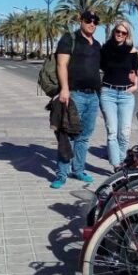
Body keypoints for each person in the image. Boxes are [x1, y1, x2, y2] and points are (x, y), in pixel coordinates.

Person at [51, 10, 102, 189]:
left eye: (95, 21)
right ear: (81, 21)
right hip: (75, 95)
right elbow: (61, 64)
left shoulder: (97, 44)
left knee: (84, 137)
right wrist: (64, 89)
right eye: (88, 20)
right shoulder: (69, 39)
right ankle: (61, 174)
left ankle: (78, 169)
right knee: (68, 135)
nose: (92, 23)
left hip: (93, 96)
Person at [99, 19, 138, 169]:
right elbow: (99, 66)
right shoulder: (105, 49)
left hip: (126, 95)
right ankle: (117, 165)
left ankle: (122, 161)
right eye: (118, 31)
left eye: (124, 32)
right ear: (113, 32)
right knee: (112, 132)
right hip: (108, 93)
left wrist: (135, 86)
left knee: (125, 133)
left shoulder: (132, 51)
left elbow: (134, 72)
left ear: (127, 34)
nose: (120, 34)